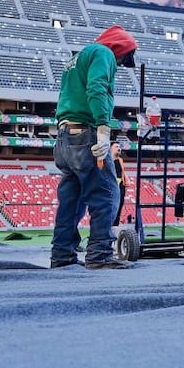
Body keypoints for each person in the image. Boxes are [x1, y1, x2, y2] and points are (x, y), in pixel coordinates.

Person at [50, 25, 138, 269]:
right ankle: (99, 255)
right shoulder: (104, 53)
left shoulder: (78, 56)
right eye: (122, 58)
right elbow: (97, 87)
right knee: (107, 195)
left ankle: (61, 255)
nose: (119, 63)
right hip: (85, 134)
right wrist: (103, 127)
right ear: (120, 48)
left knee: (71, 200)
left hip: (65, 136)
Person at [111, 142, 126, 227]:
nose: (119, 148)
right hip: (111, 185)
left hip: (120, 185)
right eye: (116, 147)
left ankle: (115, 224)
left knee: (119, 204)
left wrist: (126, 179)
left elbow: (122, 170)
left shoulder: (120, 160)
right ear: (111, 149)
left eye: (120, 147)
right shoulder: (107, 160)